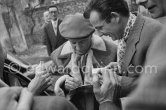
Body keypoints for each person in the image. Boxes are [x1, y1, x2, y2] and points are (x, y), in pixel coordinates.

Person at [83, 0, 163, 109]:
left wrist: (118, 81)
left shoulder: (156, 33)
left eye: (100, 27)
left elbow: (159, 85)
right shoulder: (126, 31)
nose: (100, 34)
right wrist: (120, 68)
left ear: (115, 17)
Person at [52, 13, 117, 110]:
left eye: (82, 42)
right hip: (75, 105)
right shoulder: (57, 55)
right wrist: (64, 83)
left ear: (91, 36)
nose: (78, 47)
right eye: (73, 43)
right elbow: (53, 78)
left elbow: (121, 80)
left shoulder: (112, 51)